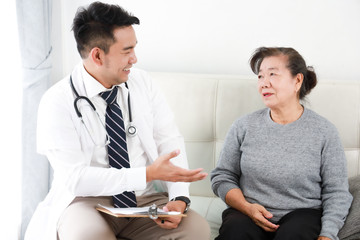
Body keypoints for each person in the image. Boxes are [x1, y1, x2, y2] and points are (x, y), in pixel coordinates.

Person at [25, 2, 210, 240]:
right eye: (126, 51)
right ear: (98, 55)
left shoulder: (142, 83)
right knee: (87, 235)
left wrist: (179, 198)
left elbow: (169, 141)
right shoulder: (56, 102)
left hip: (143, 200)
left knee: (196, 230)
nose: (134, 58)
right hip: (87, 203)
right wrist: (146, 173)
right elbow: (76, 179)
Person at [211, 47, 353, 240]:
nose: (264, 83)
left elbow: (336, 192)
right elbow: (222, 176)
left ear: (297, 80)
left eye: (272, 75)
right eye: (260, 77)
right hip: (248, 212)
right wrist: (247, 207)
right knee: (236, 231)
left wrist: (327, 235)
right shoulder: (243, 126)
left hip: (303, 215)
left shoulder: (324, 131)